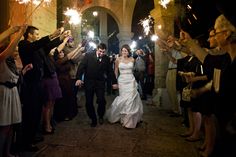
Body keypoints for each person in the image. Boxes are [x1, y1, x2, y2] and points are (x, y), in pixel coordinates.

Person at [0, 25, 32, 157]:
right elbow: (9, 50)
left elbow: (16, 79)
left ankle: (8, 152)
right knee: (4, 127)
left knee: (12, 125)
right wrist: (19, 33)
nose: (17, 51)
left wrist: (24, 71)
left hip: (13, 93)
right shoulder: (2, 59)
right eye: (15, 49)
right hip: (4, 93)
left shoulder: (12, 62)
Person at [75, 43, 118, 127]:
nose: (101, 54)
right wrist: (79, 78)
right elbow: (81, 67)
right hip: (89, 82)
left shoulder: (106, 59)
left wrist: (114, 82)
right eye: (100, 51)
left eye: (103, 52)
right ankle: (93, 118)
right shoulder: (88, 55)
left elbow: (110, 71)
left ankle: (100, 115)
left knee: (101, 100)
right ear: (97, 49)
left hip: (100, 83)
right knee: (88, 102)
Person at [106, 44, 143, 129]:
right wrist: (115, 82)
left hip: (131, 80)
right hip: (122, 80)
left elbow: (135, 70)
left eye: (125, 51)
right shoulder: (118, 60)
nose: (124, 52)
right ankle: (123, 117)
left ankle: (129, 121)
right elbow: (115, 71)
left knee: (131, 98)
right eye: (122, 51)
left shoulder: (132, 59)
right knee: (123, 98)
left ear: (128, 51)